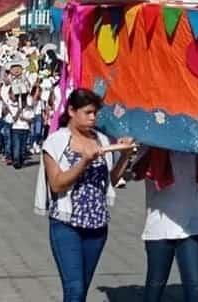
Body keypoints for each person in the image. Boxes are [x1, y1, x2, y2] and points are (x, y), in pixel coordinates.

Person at [40, 89, 134, 302]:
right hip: (66, 224)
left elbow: (110, 180)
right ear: (72, 111)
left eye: (95, 113)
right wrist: (83, 162)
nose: (93, 118)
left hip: (97, 225)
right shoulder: (56, 142)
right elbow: (56, 184)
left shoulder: (101, 139)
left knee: (81, 289)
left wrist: (124, 157)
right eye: (88, 112)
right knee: (74, 289)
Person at [132, 146, 198, 302]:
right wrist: (155, 146)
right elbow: (136, 174)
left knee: (195, 288)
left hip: (191, 226)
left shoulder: (192, 142)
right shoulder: (151, 141)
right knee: (155, 286)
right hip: (159, 226)